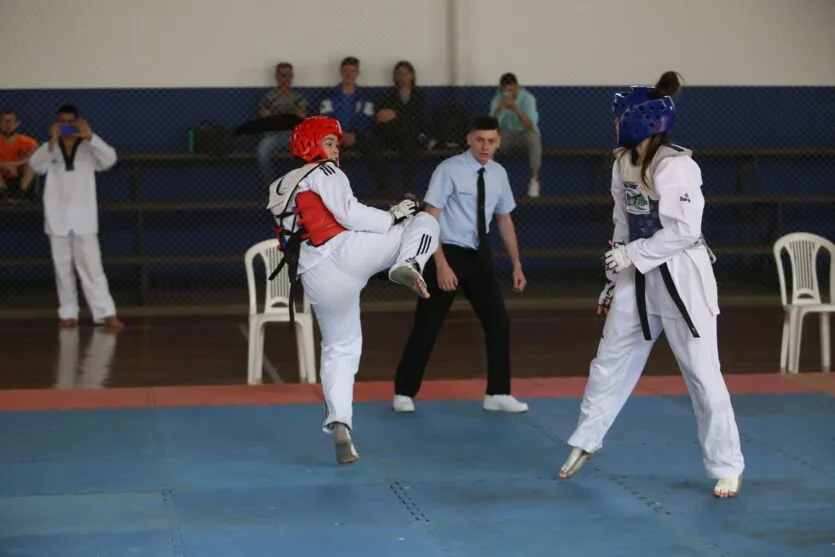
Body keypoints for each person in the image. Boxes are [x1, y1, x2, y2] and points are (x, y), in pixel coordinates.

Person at [558, 72, 745, 498]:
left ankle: (727, 464)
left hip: (683, 277)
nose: (615, 124)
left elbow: (683, 229)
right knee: (609, 358)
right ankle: (588, 438)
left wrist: (632, 255)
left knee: (701, 373)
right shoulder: (622, 161)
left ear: (640, 121)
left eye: (620, 116)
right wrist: (613, 277)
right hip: (637, 275)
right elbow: (622, 222)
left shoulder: (677, 165)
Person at [266, 115, 440, 465]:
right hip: (344, 252)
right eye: (329, 143)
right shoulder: (325, 172)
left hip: (315, 275)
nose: (336, 151)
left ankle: (340, 421)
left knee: (339, 348)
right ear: (312, 145)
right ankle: (409, 264)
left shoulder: (280, 185)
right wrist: (393, 216)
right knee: (424, 220)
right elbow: (349, 214)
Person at [392, 116, 528, 414]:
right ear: (469, 139)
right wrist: (439, 263)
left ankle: (498, 392)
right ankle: (404, 391)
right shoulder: (449, 170)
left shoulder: (499, 174)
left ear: (499, 142)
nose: (485, 146)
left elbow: (504, 219)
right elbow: (430, 218)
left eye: (491, 141)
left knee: (498, 322)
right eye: (480, 140)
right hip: (447, 252)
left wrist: (516, 263)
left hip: (479, 256)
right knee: (428, 325)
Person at [28, 104, 123, 331]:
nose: (67, 127)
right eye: (63, 122)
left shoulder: (89, 148)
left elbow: (110, 160)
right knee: (62, 269)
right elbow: (35, 166)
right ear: (56, 124)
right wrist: (51, 141)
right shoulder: (49, 148)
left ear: (79, 122)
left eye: (72, 122)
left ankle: (106, 313)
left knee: (92, 267)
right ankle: (68, 313)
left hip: (84, 218)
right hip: (57, 216)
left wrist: (91, 137)